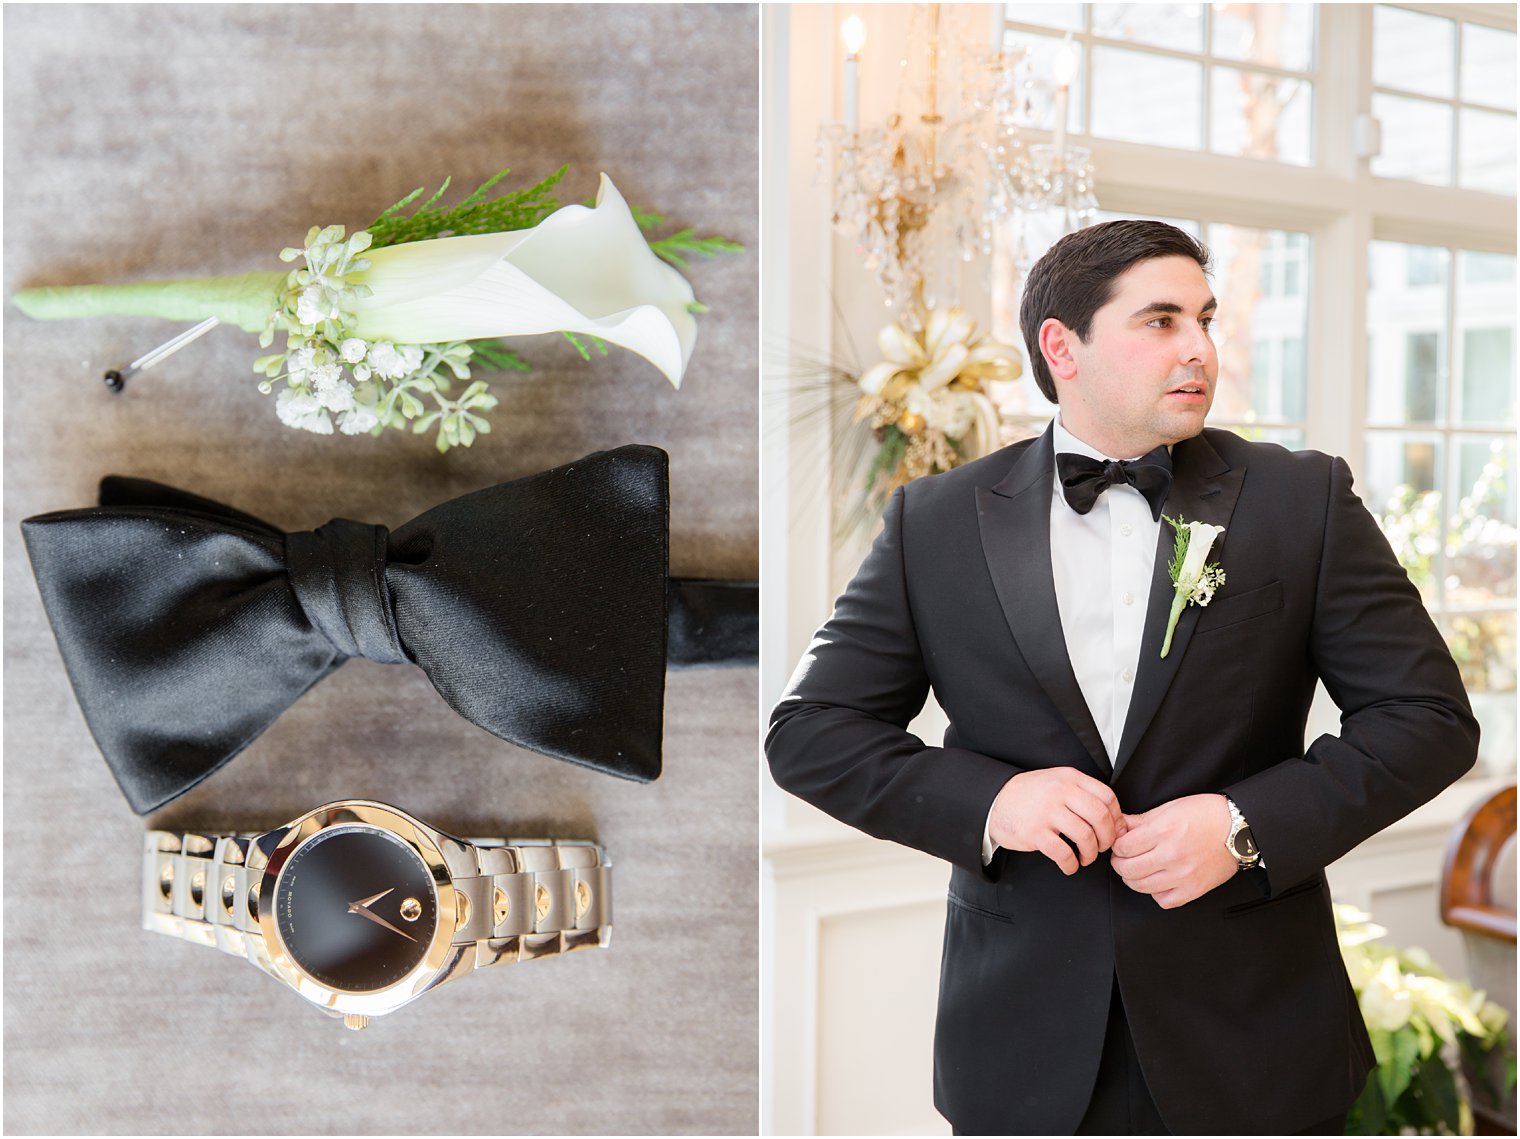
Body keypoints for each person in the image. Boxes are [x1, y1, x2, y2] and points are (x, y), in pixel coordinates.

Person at [766, 220, 1479, 1136]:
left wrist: (1243, 826)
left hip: (1256, 1042)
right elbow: (810, 729)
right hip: (1022, 1050)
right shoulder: (933, 522)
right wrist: (996, 802)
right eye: (1161, 321)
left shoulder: (1304, 502)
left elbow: (1429, 716)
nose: (1200, 349)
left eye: (1206, 319)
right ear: (1062, 346)